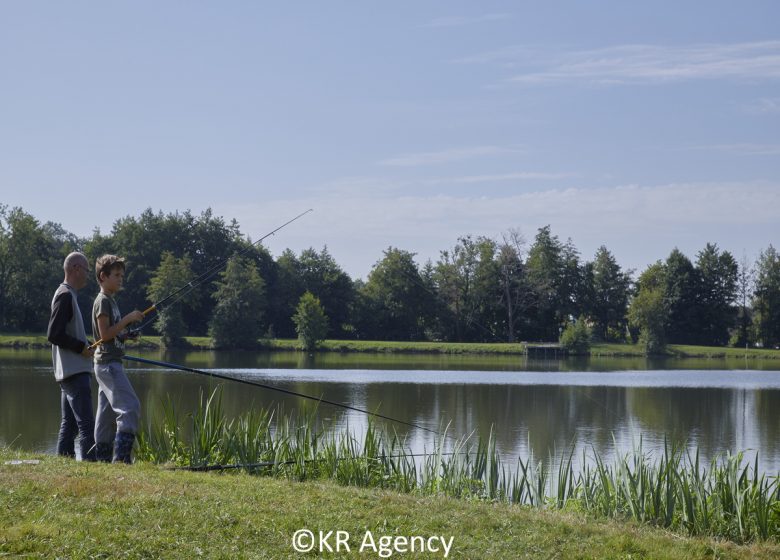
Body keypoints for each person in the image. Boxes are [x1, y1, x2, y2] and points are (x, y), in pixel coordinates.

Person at [91, 254, 144, 463]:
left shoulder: (110, 300)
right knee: (131, 408)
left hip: (107, 363)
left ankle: (102, 460)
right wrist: (128, 319)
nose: (121, 279)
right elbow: (103, 335)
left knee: (105, 416)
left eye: (122, 275)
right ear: (103, 276)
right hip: (108, 364)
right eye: (116, 275)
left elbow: (110, 334)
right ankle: (121, 460)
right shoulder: (103, 301)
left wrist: (125, 334)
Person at [47, 251, 97, 461]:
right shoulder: (65, 295)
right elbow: (54, 334)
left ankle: (63, 465)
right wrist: (81, 348)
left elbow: (64, 332)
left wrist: (85, 345)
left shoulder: (66, 294)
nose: (88, 275)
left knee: (69, 426)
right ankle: (91, 468)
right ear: (76, 268)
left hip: (68, 371)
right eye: (86, 270)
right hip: (74, 371)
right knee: (87, 425)